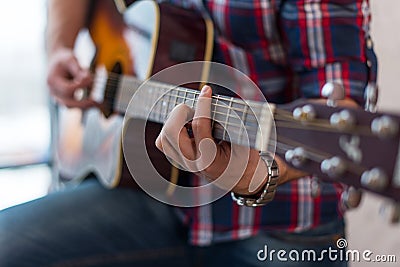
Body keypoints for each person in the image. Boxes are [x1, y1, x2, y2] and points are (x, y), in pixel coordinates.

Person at [0, 0, 377, 266]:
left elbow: (340, 113)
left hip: (277, 230)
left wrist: (256, 175)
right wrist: (59, 47)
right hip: (143, 190)